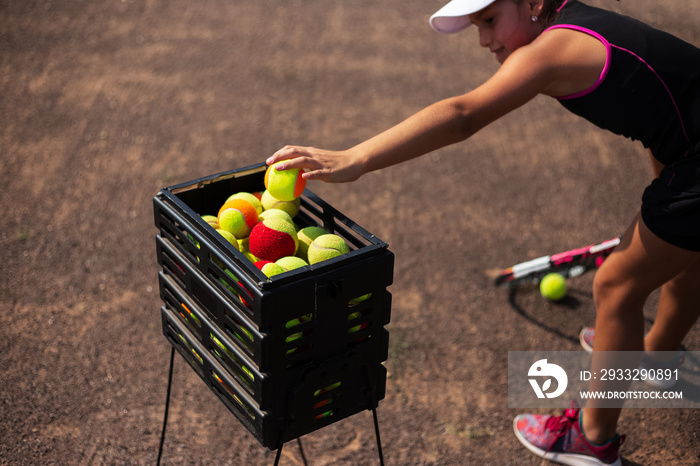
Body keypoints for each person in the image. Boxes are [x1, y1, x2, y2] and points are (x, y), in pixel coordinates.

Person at [266, 1, 700, 464]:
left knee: (615, 287)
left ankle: (592, 440)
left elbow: (462, 114)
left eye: (490, 20)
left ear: (534, 3)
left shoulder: (551, 49)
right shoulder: (578, 25)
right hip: (686, 154)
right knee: (686, 255)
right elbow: (672, 105)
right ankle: (656, 357)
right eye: (477, 25)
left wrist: (355, 158)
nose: (484, 40)